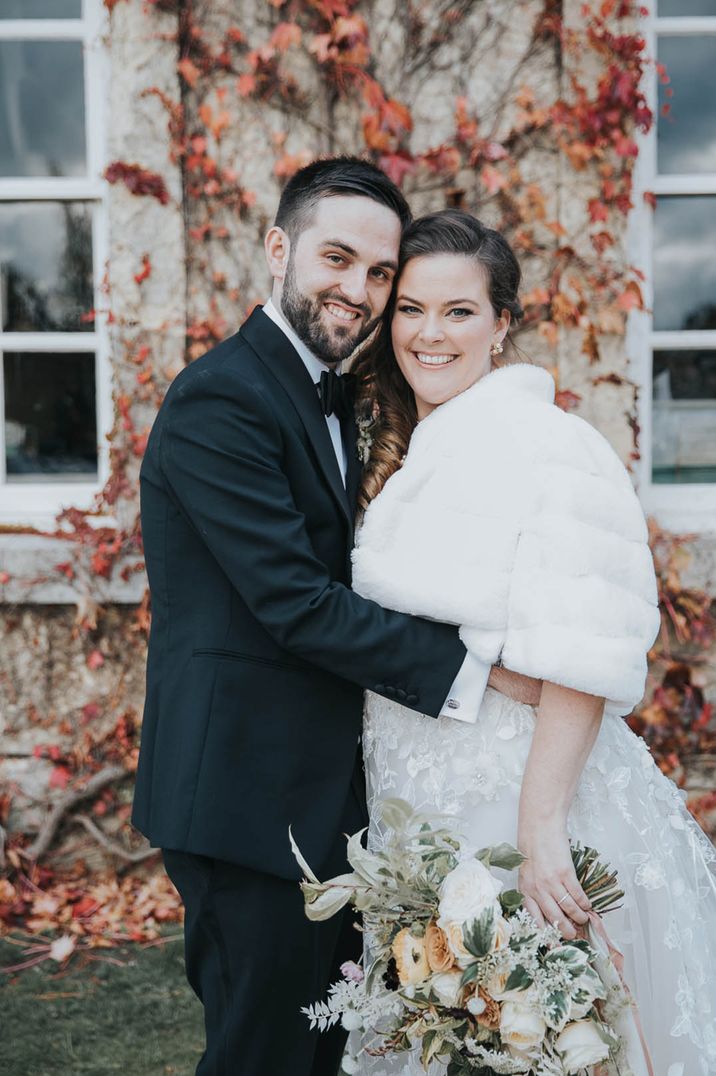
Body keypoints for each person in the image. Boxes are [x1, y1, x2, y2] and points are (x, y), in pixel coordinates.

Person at [132, 159, 536, 1076]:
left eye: (379, 272)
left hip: (316, 802)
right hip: (243, 799)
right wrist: (480, 670)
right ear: (280, 248)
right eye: (337, 259)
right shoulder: (221, 398)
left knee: (321, 1056)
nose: (357, 291)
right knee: (262, 1055)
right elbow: (297, 606)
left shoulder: (339, 393)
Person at [349, 208, 716, 1074]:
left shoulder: (553, 448)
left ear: (503, 322)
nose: (428, 334)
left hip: (519, 794)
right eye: (409, 309)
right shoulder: (413, 448)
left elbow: (583, 650)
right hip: (424, 800)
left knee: (553, 1032)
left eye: (459, 311)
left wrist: (541, 824)